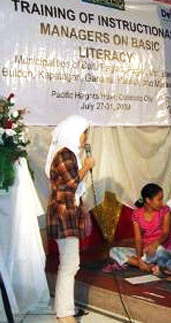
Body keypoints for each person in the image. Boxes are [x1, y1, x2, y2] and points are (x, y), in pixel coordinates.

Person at [45, 115, 95, 323]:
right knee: (69, 265)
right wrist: (87, 165)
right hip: (63, 214)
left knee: (69, 264)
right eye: (84, 133)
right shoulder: (65, 154)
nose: (85, 138)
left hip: (67, 212)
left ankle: (66, 309)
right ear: (75, 132)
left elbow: (73, 189)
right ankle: (65, 314)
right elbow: (73, 183)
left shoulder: (69, 154)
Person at [109, 183, 171, 273]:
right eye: (159, 199)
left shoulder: (165, 210)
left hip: (161, 248)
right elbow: (138, 239)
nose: (162, 202)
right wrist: (139, 259)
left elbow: (165, 234)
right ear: (148, 200)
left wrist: (155, 244)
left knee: (160, 252)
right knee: (113, 251)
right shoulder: (137, 214)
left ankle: (150, 265)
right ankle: (146, 265)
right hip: (146, 252)